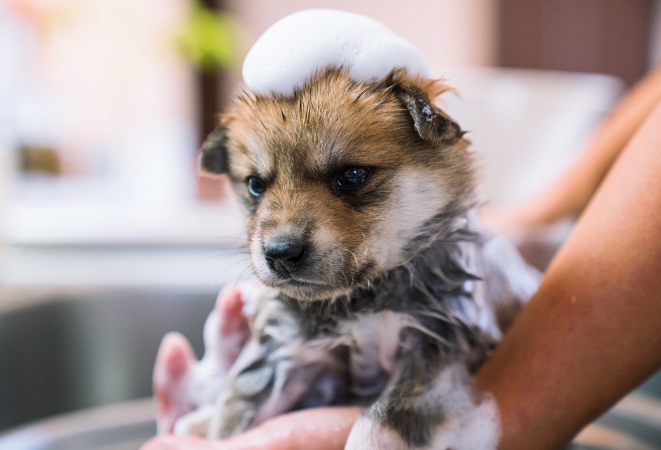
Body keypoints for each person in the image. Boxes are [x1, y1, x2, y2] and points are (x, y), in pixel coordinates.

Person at [141, 64, 661, 450]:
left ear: (439, 147)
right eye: (258, 184)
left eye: (350, 178)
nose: (279, 236)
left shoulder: (464, 279)